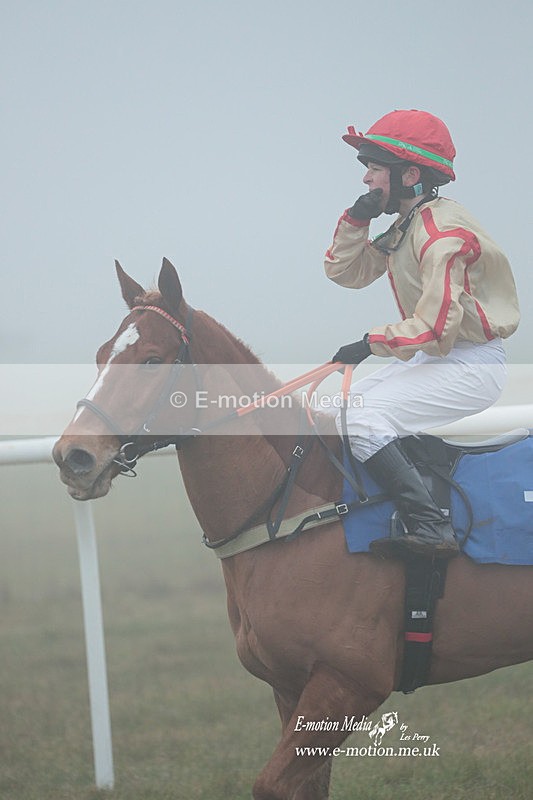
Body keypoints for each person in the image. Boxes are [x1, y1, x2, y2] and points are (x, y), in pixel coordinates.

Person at [324, 109, 520, 558]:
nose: (366, 180)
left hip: (470, 365)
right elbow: (346, 271)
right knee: (339, 409)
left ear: (409, 173)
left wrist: (369, 343)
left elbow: (434, 330)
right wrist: (357, 220)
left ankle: (432, 528)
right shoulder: (408, 223)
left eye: (374, 170)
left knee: (363, 418)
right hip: (440, 358)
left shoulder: (441, 231)